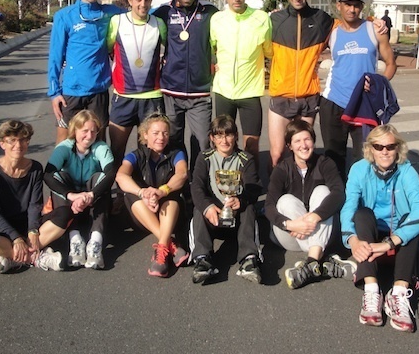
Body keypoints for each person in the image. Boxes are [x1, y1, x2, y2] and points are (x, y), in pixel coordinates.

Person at [341, 124, 419, 332]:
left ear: (398, 148)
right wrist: (352, 240)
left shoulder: (407, 170)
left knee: (412, 220)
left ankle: (398, 295)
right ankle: (372, 290)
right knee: (361, 214)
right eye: (378, 146)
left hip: (397, 241)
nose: (384, 152)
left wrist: (391, 242)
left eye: (390, 146)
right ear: (370, 148)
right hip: (368, 239)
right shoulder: (359, 169)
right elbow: (348, 207)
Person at [264, 119, 356, 289]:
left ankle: (312, 263)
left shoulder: (325, 163)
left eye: (307, 139)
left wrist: (315, 216)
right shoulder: (282, 169)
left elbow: (338, 193)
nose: (303, 145)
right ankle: (324, 261)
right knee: (285, 200)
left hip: (319, 229)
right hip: (291, 235)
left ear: (313, 141)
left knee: (323, 191)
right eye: (297, 141)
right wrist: (290, 224)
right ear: (290, 146)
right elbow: (269, 205)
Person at [0, 120, 72, 273]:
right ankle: (34, 258)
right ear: (2, 144)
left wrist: (32, 230)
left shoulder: (35, 168)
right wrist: (15, 238)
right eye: (12, 140)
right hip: (3, 230)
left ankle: (11, 256)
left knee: (66, 213)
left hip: (28, 225)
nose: (18, 145)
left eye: (23, 140)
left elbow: (35, 204)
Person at [319, 0, 397, 182]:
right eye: (348, 5)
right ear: (339, 6)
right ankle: (336, 201)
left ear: (362, 7)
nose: (352, 10)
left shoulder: (375, 30)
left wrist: (379, 84)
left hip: (364, 105)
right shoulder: (332, 33)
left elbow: (391, 64)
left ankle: (359, 202)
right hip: (333, 101)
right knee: (333, 157)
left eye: (356, 5)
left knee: (363, 159)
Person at [48, 0, 127, 145]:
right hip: (71, 91)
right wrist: (54, 93)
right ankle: (60, 174)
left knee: (98, 143)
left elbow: (138, 14)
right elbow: (55, 57)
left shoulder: (110, 13)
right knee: (65, 144)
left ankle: (98, 174)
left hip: (98, 91)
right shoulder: (64, 16)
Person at [267, 0, 333, 169]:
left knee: (303, 154)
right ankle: (277, 193)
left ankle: (301, 191)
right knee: (278, 153)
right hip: (281, 97)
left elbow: (349, 26)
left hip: (308, 97)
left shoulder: (322, 19)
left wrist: (375, 23)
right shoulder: (274, 20)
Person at [153, 0, 218, 170]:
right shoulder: (162, 13)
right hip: (171, 90)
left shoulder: (210, 11)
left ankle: (196, 183)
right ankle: (178, 184)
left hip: (200, 91)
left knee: (202, 142)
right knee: (173, 140)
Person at [209, 0, 272, 169]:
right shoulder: (217, 19)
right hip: (224, 91)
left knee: (251, 145)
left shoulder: (261, 19)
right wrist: (214, 64)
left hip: (250, 92)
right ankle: (224, 183)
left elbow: (269, 51)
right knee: (223, 142)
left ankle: (250, 185)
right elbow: (212, 49)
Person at [189, 115, 262, 284]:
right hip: (214, 217)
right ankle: (202, 259)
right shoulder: (204, 157)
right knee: (199, 209)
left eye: (228, 135)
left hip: (236, 219)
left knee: (249, 208)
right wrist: (207, 207)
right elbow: (196, 187)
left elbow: (254, 187)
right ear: (212, 138)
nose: (224, 140)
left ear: (236, 136)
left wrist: (241, 201)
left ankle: (249, 259)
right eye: (219, 136)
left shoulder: (246, 159)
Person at [115, 113, 190, 277]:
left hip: (170, 212)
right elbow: (121, 176)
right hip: (143, 213)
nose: (161, 138)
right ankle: (170, 243)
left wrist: (162, 191)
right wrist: (142, 193)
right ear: (145, 135)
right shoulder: (135, 155)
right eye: (155, 133)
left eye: (164, 133)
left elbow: (182, 174)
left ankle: (162, 249)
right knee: (129, 193)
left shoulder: (176, 153)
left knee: (172, 195)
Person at [44, 110, 116, 270]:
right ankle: (75, 239)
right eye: (84, 131)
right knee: (59, 175)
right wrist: (71, 195)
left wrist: (92, 194)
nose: (89, 136)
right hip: (70, 203)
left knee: (100, 177)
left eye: (93, 131)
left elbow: (111, 173)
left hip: (93, 202)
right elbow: (47, 175)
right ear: (74, 130)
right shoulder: (64, 147)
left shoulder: (100, 147)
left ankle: (95, 243)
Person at [106, 0, 167, 165]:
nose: (143, 4)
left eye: (147, 0)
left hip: (152, 97)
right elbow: (109, 49)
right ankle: (117, 193)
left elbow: (171, 51)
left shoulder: (159, 24)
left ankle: (144, 192)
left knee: (150, 153)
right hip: (123, 97)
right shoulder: (117, 21)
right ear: (130, 0)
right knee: (116, 151)